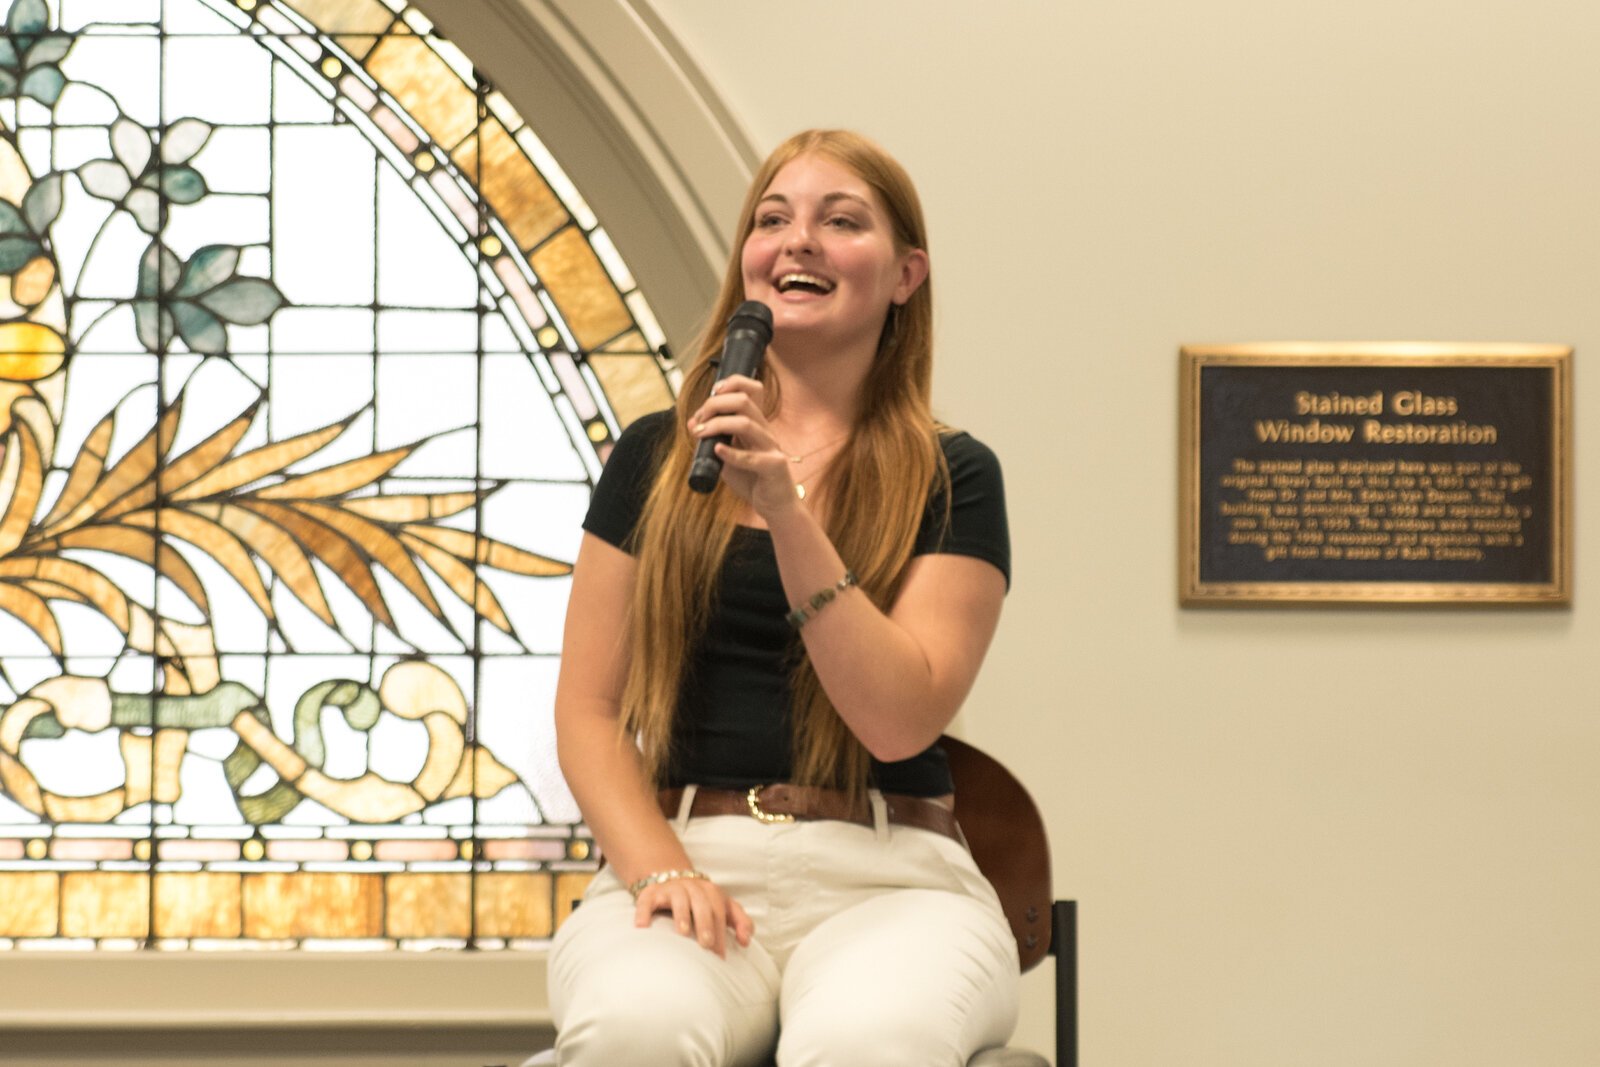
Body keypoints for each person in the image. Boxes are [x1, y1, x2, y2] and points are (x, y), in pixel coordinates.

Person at [548, 129, 1018, 1066]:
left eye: (839, 221)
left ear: (904, 275)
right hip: (687, 852)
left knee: (867, 1041)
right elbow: (588, 711)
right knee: (637, 1029)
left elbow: (897, 721)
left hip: (892, 879)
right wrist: (662, 867)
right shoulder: (655, 453)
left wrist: (786, 512)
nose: (797, 240)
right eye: (773, 220)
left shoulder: (954, 474)